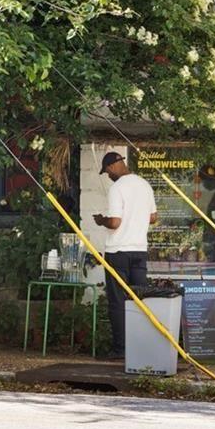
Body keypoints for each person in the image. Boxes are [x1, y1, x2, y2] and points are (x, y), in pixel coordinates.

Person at [93, 152, 157, 358]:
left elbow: (115, 223)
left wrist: (102, 220)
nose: (108, 175)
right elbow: (153, 218)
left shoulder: (117, 188)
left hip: (118, 251)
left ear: (113, 166)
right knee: (140, 299)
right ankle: (142, 348)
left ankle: (120, 349)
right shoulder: (144, 185)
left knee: (118, 301)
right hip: (139, 250)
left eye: (107, 171)